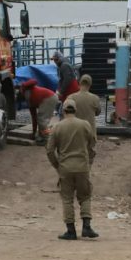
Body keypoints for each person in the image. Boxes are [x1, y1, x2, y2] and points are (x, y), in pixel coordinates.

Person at [46, 99, 98, 240]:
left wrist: (57, 165)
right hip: (82, 166)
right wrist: (88, 159)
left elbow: (50, 150)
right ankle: (86, 227)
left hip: (65, 167)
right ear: (75, 110)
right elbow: (93, 143)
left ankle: (71, 231)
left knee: (67, 198)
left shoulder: (57, 127)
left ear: (63, 110)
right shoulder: (85, 125)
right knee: (85, 196)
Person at [19, 79, 58, 146]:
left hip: (49, 98)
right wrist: (33, 132)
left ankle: (47, 139)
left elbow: (35, 81)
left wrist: (23, 85)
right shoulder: (29, 103)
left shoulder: (26, 87)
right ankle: (42, 137)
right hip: (48, 98)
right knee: (40, 119)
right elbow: (34, 118)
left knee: (42, 120)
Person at [65, 74, 101, 140]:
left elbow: (65, 114)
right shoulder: (95, 98)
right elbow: (98, 113)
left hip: (75, 133)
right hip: (90, 133)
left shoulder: (71, 97)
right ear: (90, 84)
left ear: (79, 83)